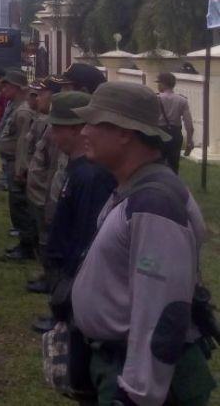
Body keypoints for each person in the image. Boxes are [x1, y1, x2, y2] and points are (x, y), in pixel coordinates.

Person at [71, 82, 215, 406]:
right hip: (118, 362)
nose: (84, 132)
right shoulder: (135, 187)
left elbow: (161, 312)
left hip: (142, 381)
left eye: (94, 123)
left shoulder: (154, 203)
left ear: (125, 132)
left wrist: (137, 395)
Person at [43, 91, 115, 317]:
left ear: (75, 129)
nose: (53, 136)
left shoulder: (91, 176)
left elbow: (87, 235)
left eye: (57, 129)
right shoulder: (78, 169)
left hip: (76, 273)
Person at [24, 77, 63, 298]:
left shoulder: (54, 126)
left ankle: (51, 279)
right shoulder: (46, 121)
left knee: (48, 238)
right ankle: (46, 274)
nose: (37, 97)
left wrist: (49, 198)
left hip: (46, 194)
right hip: (39, 191)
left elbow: (55, 168)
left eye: (42, 93)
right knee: (43, 236)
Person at [0, 69, 36, 261]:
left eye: (7, 85)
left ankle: (27, 246)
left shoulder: (23, 111)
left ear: (18, 87)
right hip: (11, 161)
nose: (2, 89)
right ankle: (24, 242)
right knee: (16, 204)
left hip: (17, 163)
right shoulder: (15, 105)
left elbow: (24, 142)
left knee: (20, 205)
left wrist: (21, 169)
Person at [156, 72, 194, 173]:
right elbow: (188, 124)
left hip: (159, 133)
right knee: (173, 165)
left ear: (163, 84)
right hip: (175, 134)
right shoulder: (182, 100)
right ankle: (172, 185)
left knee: (157, 164)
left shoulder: (156, 98)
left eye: (158, 83)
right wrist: (189, 141)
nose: (158, 85)